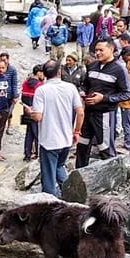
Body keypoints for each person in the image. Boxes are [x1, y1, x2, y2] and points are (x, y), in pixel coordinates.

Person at [28, 60, 83, 196]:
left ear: (44, 74)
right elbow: (80, 112)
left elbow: (38, 117)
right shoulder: (71, 88)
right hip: (66, 139)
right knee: (59, 166)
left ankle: (49, 202)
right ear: (59, 72)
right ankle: (71, 196)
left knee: (48, 176)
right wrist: (76, 131)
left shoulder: (41, 90)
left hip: (49, 141)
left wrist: (30, 112)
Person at [76, 41, 130, 167]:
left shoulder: (119, 69)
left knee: (105, 148)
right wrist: (83, 92)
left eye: (101, 50)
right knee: (82, 145)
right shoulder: (92, 66)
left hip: (105, 114)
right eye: (96, 50)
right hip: (88, 112)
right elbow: (85, 84)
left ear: (111, 50)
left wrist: (104, 98)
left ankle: (112, 174)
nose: (97, 53)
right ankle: (79, 174)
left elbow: (126, 94)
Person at [21, 65, 44, 161]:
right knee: (37, 133)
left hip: (26, 111)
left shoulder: (25, 82)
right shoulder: (40, 85)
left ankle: (27, 154)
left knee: (29, 133)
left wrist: (27, 108)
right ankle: (38, 154)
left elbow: (22, 97)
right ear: (38, 73)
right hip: (36, 112)